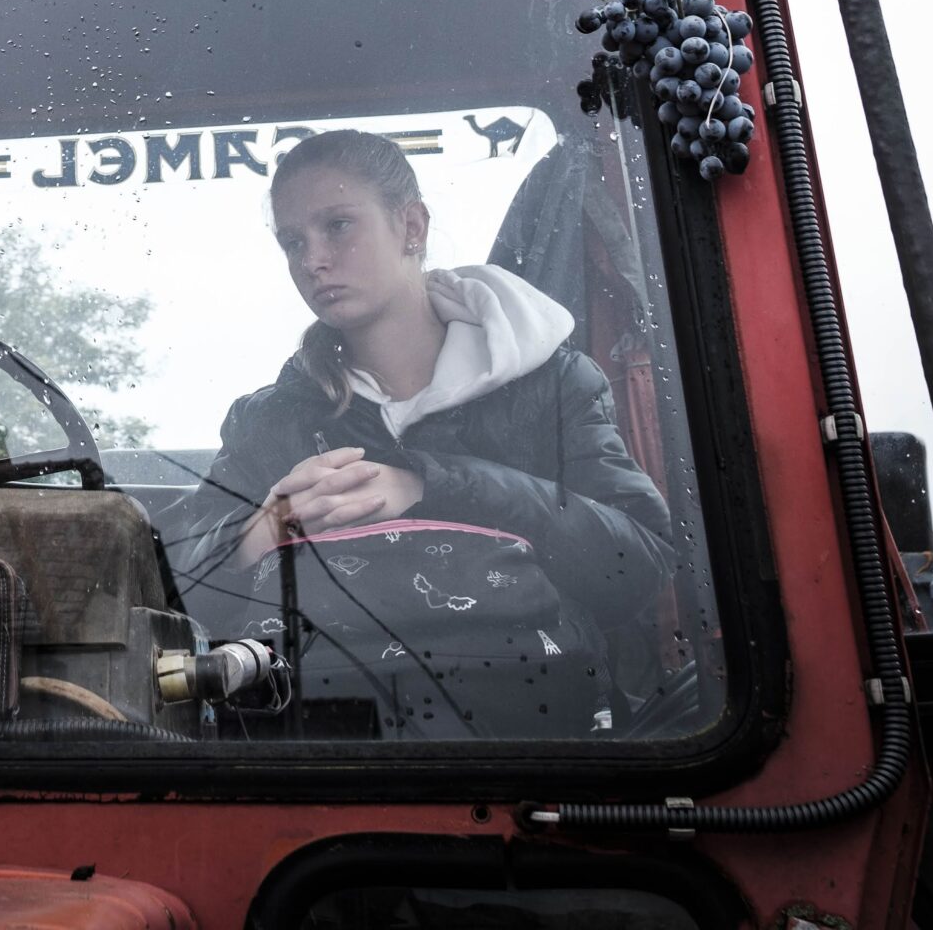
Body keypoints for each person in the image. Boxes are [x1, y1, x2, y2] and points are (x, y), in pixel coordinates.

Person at [170, 128, 673, 738]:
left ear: (411, 226)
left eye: (338, 225)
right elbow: (174, 602)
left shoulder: (551, 383)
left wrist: (430, 485)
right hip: (316, 748)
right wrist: (264, 529)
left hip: (534, 746)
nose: (312, 261)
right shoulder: (271, 420)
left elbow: (636, 569)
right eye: (293, 241)